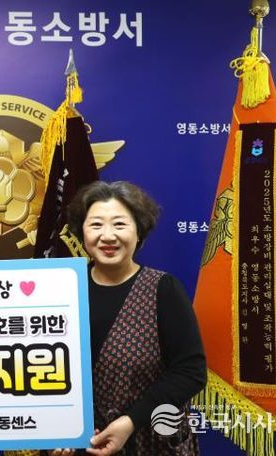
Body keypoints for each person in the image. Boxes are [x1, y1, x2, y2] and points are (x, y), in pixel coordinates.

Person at [59, 180, 206, 455]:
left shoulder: (163, 289)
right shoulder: (63, 289)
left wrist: (130, 421)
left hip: (152, 441)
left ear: (139, 231)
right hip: (83, 444)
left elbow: (190, 372)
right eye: (96, 225)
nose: (107, 236)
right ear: (81, 232)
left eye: (119, 224)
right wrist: (57, 430)